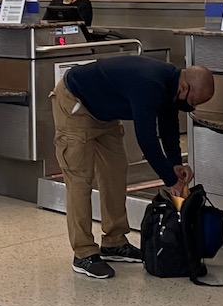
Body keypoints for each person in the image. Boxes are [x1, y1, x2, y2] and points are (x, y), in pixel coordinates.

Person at [52, 56, 213, 279]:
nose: (192, 106)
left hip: (104, 114)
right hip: (75, 104)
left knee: (115, 174)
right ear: (185, 87)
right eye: (193, 101)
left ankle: (114, 242)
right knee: (80, 180)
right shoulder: (150, 84)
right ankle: (83, 253)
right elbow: (147, 139)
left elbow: (168, 125)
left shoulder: (172, 86)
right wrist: (171, 180)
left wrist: (175, 163)